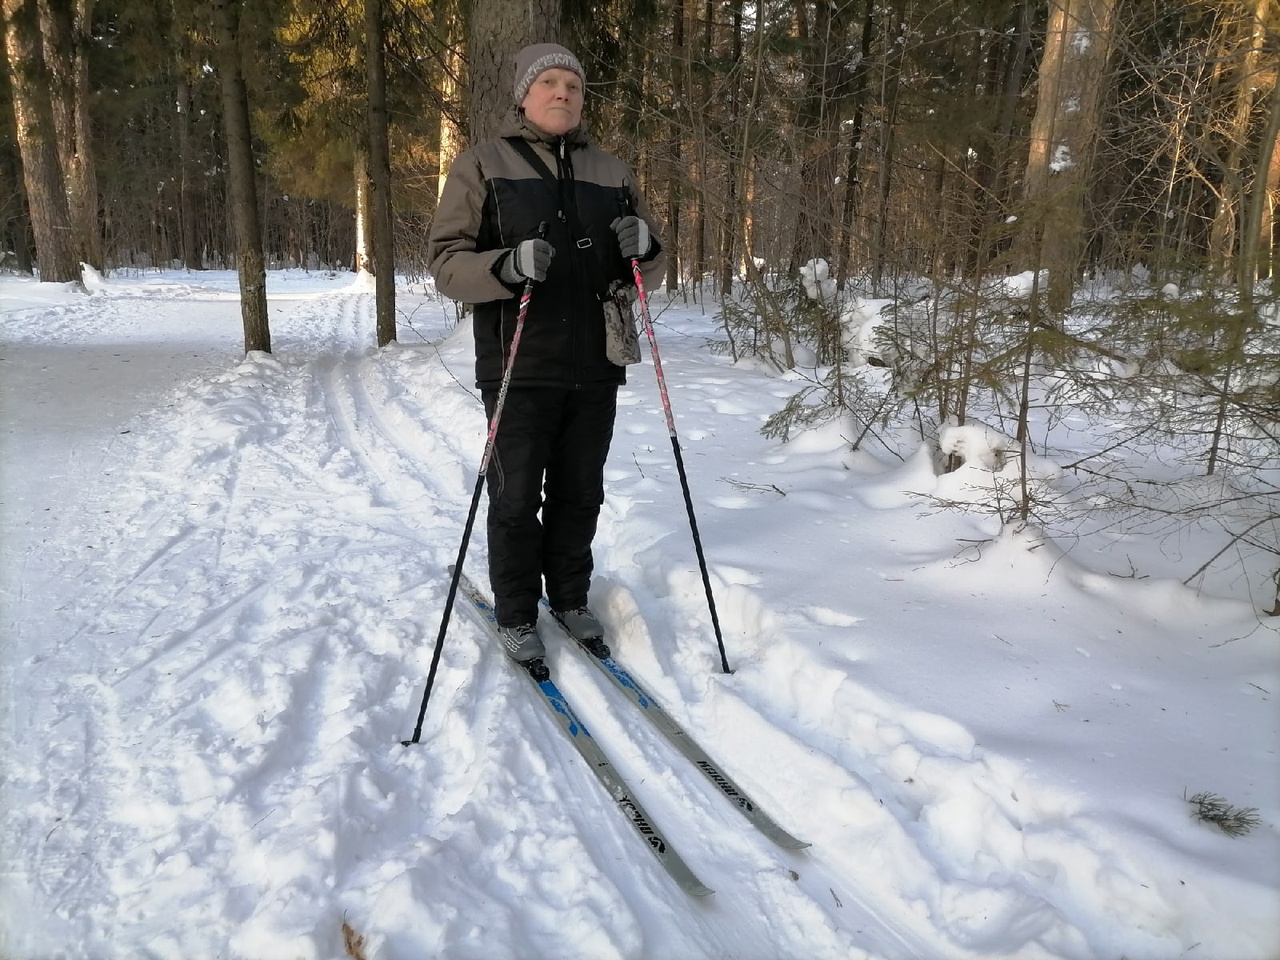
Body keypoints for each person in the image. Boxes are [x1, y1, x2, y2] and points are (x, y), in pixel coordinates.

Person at [427, 42, 666, 664]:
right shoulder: (483, 164)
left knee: (580, 491)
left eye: (574, 86)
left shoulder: (612, 171)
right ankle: (514, 612)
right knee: (513, 497)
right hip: (517, 363)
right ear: (524, 95)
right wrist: (506, 265)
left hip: (597, 362)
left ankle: (569, 598)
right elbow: (447, 265)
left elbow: (653, 270)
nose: (563, 94)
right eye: (550, 83)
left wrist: (649, 246)